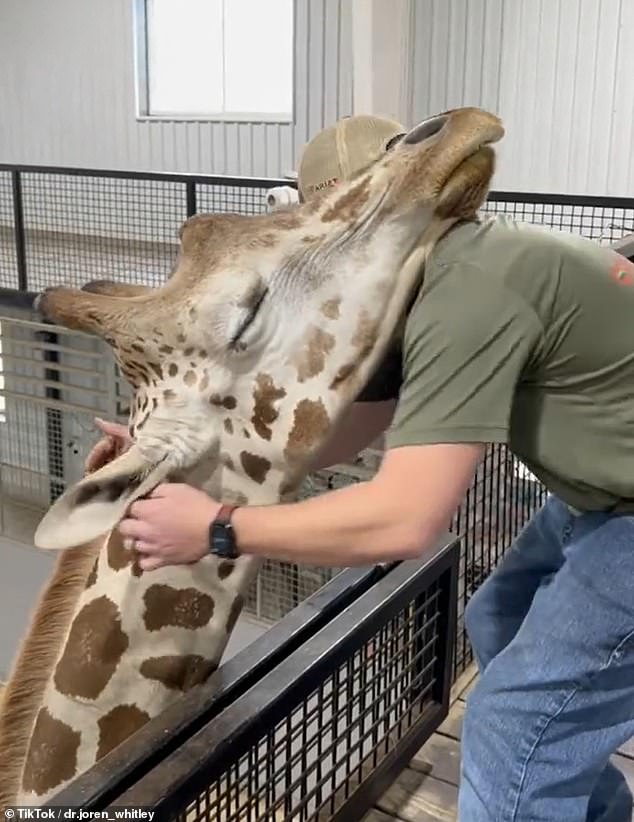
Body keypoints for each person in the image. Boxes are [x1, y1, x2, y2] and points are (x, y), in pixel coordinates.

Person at [86, 113, 634, 822]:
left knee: (511, 726)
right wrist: (171, 452)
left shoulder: (470, 289)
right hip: (594, 496)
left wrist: (219, 529)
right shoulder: (432, 277)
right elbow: (341, 439)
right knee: (495, 618)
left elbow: (404, 521)